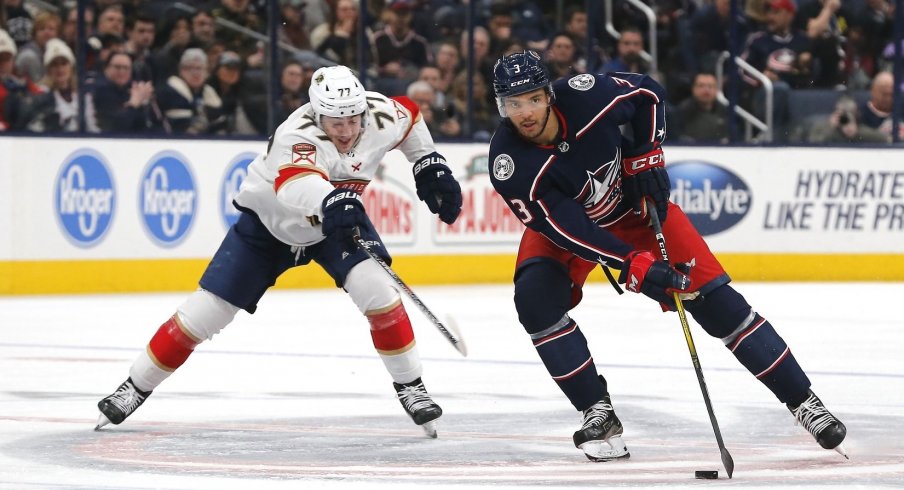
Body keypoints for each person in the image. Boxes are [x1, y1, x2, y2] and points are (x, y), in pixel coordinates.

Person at [487, 50, 848, 462]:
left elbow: (648, 92)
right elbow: (569, 230)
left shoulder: (587, 94)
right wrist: (632, 262)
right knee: (535, 301)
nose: (525, 112)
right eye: (512, 104)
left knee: (720, 306)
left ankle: (805, 402)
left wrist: (646, 154)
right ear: (501, 107)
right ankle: (597, 411)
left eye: (533, 98)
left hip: (638, 212)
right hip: (571, 232)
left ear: (549, 94)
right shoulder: (509, 163)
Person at [95, 65, 463, 438]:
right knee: (204, 314)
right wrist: (332, 198)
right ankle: (135, 386)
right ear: (317, 114)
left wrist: (428, 163)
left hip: (334, 225)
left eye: (352, 119)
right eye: (335, 122)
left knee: (379, 291)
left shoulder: (379, 113)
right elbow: (293, 186)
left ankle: (411, 386)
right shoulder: (297, 134)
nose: (346, 131)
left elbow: (410, 113)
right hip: (269, 228)